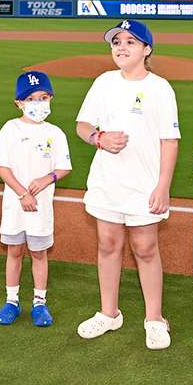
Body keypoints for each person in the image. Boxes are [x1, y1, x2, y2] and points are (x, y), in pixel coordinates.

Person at [74, 19, 180, 350]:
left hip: (144, 182)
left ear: (147, 50)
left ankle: (154, 318)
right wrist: (99, 137)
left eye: (131, 42)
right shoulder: (104, 82)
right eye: (117, 41)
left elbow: (170, 140)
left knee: (146, 247)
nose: (121, 47)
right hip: (108, 181)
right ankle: (109, 313)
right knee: (107, 244)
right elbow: (82, 125)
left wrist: (163, 186)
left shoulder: (160, 87)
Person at [0, 71, 72, 327]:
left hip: (41, 207)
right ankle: (11, 301)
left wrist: (46, 179)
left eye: (43, 97)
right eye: (31, 99)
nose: (38, 103)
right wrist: (22, 193)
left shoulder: (55, 133)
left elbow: (64, 167)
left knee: (38, 253)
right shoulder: (10, 129)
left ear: (51, 98)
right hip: (16, 205)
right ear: (19, 103)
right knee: (14, 251)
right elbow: (0, 165)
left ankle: (39, 302)